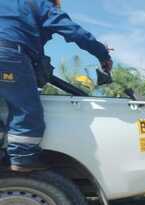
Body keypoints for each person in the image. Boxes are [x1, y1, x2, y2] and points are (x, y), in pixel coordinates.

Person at [0, 0, 112, 172]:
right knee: (27, 110)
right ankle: (22, 159)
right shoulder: (40, 4)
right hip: (8, 55)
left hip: (10, 52)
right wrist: (103, 54)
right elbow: (75, 32)